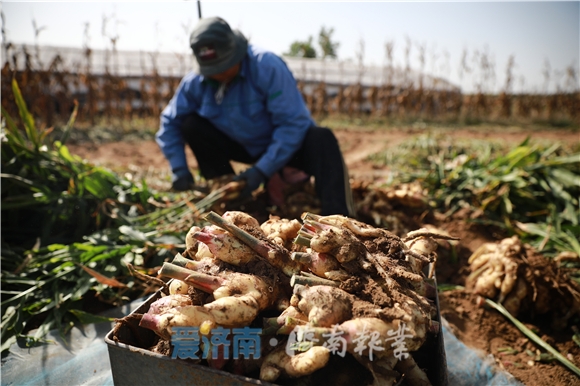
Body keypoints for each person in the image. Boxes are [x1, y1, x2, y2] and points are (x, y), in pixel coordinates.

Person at [156, 16, 355, 217]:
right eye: (212, 70)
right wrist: (179, 168)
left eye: (223, 67)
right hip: (242, 146)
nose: (218, 74)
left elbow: (292, 124)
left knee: (322, 138)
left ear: (236, 53)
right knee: (192, 125)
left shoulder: (267, 67)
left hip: (285, 145)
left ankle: (338, 217)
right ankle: (230, 200)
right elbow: (169, 123)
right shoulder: (196, 82)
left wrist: (262, 170)